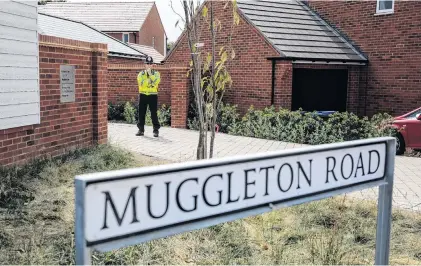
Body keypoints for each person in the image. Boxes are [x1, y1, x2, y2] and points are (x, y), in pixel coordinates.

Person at [136, 56, 161, 137]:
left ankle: (156, 130)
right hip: (143, 95)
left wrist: (150, 75)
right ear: (145, 65)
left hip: (153, 96)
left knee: (154, 113)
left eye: (150, 64)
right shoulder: (141, 74)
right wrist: (150, 81)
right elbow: (141, 84)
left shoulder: (157, 74)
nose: (149, 65)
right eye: (147, 64)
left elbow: (156, 82)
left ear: (152, 65)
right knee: (141, 113)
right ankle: (141, 130)